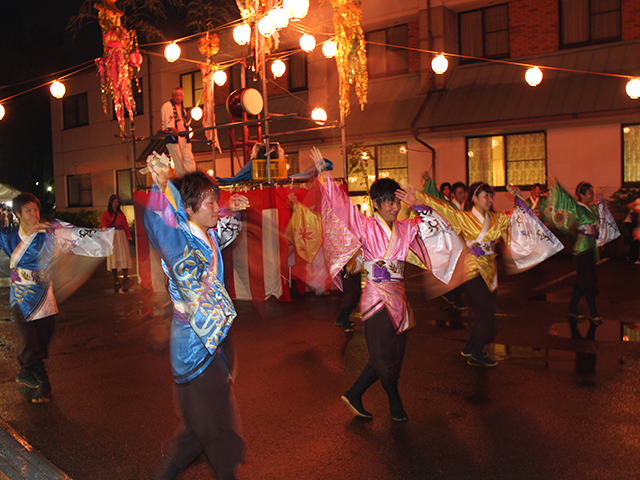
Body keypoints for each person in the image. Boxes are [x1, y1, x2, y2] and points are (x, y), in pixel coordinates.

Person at [311, 148, 464, 422]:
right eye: (387, 202)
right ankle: (394, 402)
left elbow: (438, 227)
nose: (394, 207)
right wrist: (325, 174)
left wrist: (418, 204)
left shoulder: (407, 228)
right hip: (375, 298)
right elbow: (341, 207)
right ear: (375, 204)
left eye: (396, 202)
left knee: (394, 352)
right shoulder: (365, 226)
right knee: (383, 356)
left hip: (399, 299)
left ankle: (356, 393)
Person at [144, 155, 246, 480]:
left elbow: (228, 228)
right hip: (192, 348)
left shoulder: (209, 235)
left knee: (201, 427)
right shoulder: (180, 243)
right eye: (211, 202)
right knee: (213, 429)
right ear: (188, 210)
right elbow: (161, 225)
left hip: (213, 342)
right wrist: (159, 185)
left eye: (217, 201)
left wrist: (236, 209)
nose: (218, 208)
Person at [411, 182, 563, 367]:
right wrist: (417, 198)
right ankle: (477, 352)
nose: (490, 199)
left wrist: (518, 197)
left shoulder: (497, 218)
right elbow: (441, 209)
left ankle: (469, 347)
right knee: (488, 312)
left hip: (490, 270)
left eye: (491, 196)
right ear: (473, 198)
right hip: (473, 269)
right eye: (485, 196)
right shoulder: (463, 218)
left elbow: (519, 217)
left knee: (483, 313)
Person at [0, 193, 113, 403]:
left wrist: (53, 228)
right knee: (29, 341)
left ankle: (26, 371)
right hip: (20, 296)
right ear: (17, 214)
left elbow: (76, 238)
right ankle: (44, 383)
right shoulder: (7, 236)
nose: (34, 214)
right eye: (28, 211)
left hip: (43, 296)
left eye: (35, 210)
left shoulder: (47, 233)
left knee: (43, 338)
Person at [546, 181, 619, 324]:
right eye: (590, 193)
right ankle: (593, 312)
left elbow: (601, 216)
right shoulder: (577, 208)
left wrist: (601, 195)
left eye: (592, 192)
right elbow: (564, 218)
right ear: (581, 194)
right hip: (582, 249)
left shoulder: (590, 208)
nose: (592, 195)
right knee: (588, 281)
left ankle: (573, 309)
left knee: (582, 281)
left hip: (590, 248)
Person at [100, 194, 132, 292]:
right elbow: (103, 224)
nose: (116, 204)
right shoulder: (106, 214)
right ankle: (115, 278)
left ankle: (125, 277)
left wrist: (128, 236)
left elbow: (125, 225)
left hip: (121, 235)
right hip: (112, 235)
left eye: (117, 202)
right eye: (114, 202)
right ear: (110, 202)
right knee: (113, 256)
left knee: (124, 255)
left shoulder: (121, 214)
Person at [161, 87, 195, 177]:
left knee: (188, 157)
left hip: (184, 136)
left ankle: (192, 176)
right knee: (178, 160)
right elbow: (168, 119)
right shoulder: (167, 105)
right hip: (173, 137)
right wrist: (172, 128)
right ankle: (182, 178)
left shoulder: (182, 109)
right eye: (176, 95)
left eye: (180, 95)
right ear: (172, 96)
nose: (178, 97)